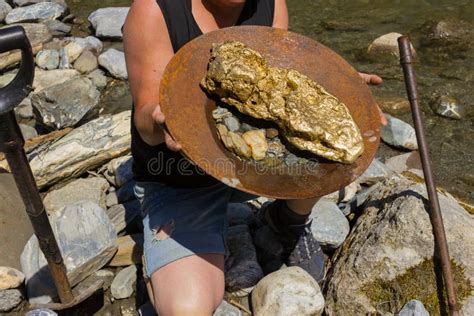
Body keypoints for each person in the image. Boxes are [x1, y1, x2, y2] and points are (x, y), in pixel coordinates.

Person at [123, 0, 386, 314]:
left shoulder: (270, 4)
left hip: (255, 163)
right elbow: (146, 125)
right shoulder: (155, 9)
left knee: (338, 147)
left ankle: (287, 220)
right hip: (179, 180)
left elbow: (275, 83)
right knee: (186, 310)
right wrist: (160, 119)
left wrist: (330, 88)